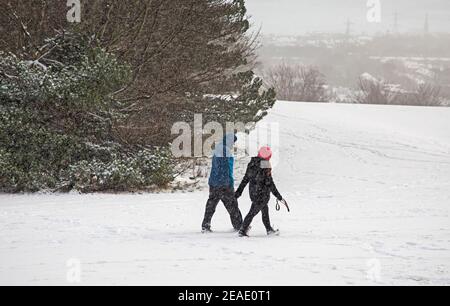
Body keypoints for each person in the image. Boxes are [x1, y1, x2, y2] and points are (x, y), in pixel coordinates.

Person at [235, 147, 284, 237]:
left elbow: (245, 179)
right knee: (252, 212)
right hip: (262, 194)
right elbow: (270, 183)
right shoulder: (265, 164)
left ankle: (269, 229)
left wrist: (239, 192)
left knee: (265, 210)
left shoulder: (252, 163)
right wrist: (278, 195)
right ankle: (242, 230)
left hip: (253, 193)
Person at [201, 134, 243, 233]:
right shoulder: (225, 150)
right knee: (232, 205)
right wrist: (229, 182)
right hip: (224, 184)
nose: (233, 144)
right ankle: (239, 225)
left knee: (211, 205)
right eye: (233, 142)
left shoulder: (219, 148)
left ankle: (205, 225)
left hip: (214, 183)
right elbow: (226, 168)